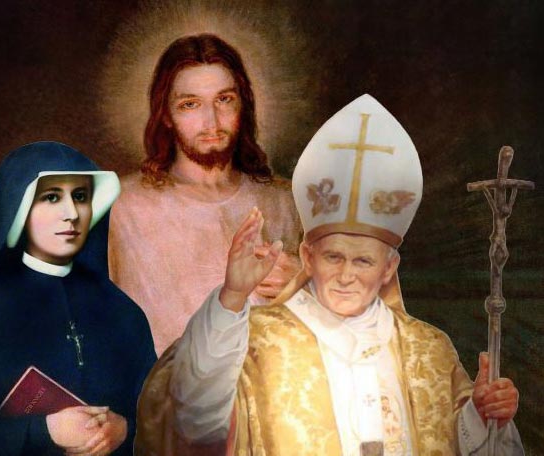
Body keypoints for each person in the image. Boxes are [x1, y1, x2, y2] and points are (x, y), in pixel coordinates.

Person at [135, 95, 524, 455]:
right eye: (333, 257)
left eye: (363, 262)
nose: (346, 276)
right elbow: (193, 422)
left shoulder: (429, 350)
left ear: (389, 268)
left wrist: (481, 417)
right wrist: (233, 295)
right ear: (307, 257)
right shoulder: (255, 340)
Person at [0, 142, 156, 456]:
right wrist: (44, 431)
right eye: (52, 197)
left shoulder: (123, 314)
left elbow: (165, 424)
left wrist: (125, 430)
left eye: (80, 197)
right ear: (18, 208)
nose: (71, 214)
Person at [108, 33, 302, 355]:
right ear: (165, 115)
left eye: (224, 99)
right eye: (190, 104)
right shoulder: (123, 207)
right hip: (163, 384)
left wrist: (305, 283)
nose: (211, 121)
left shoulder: (284, 202)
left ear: (243, 104)